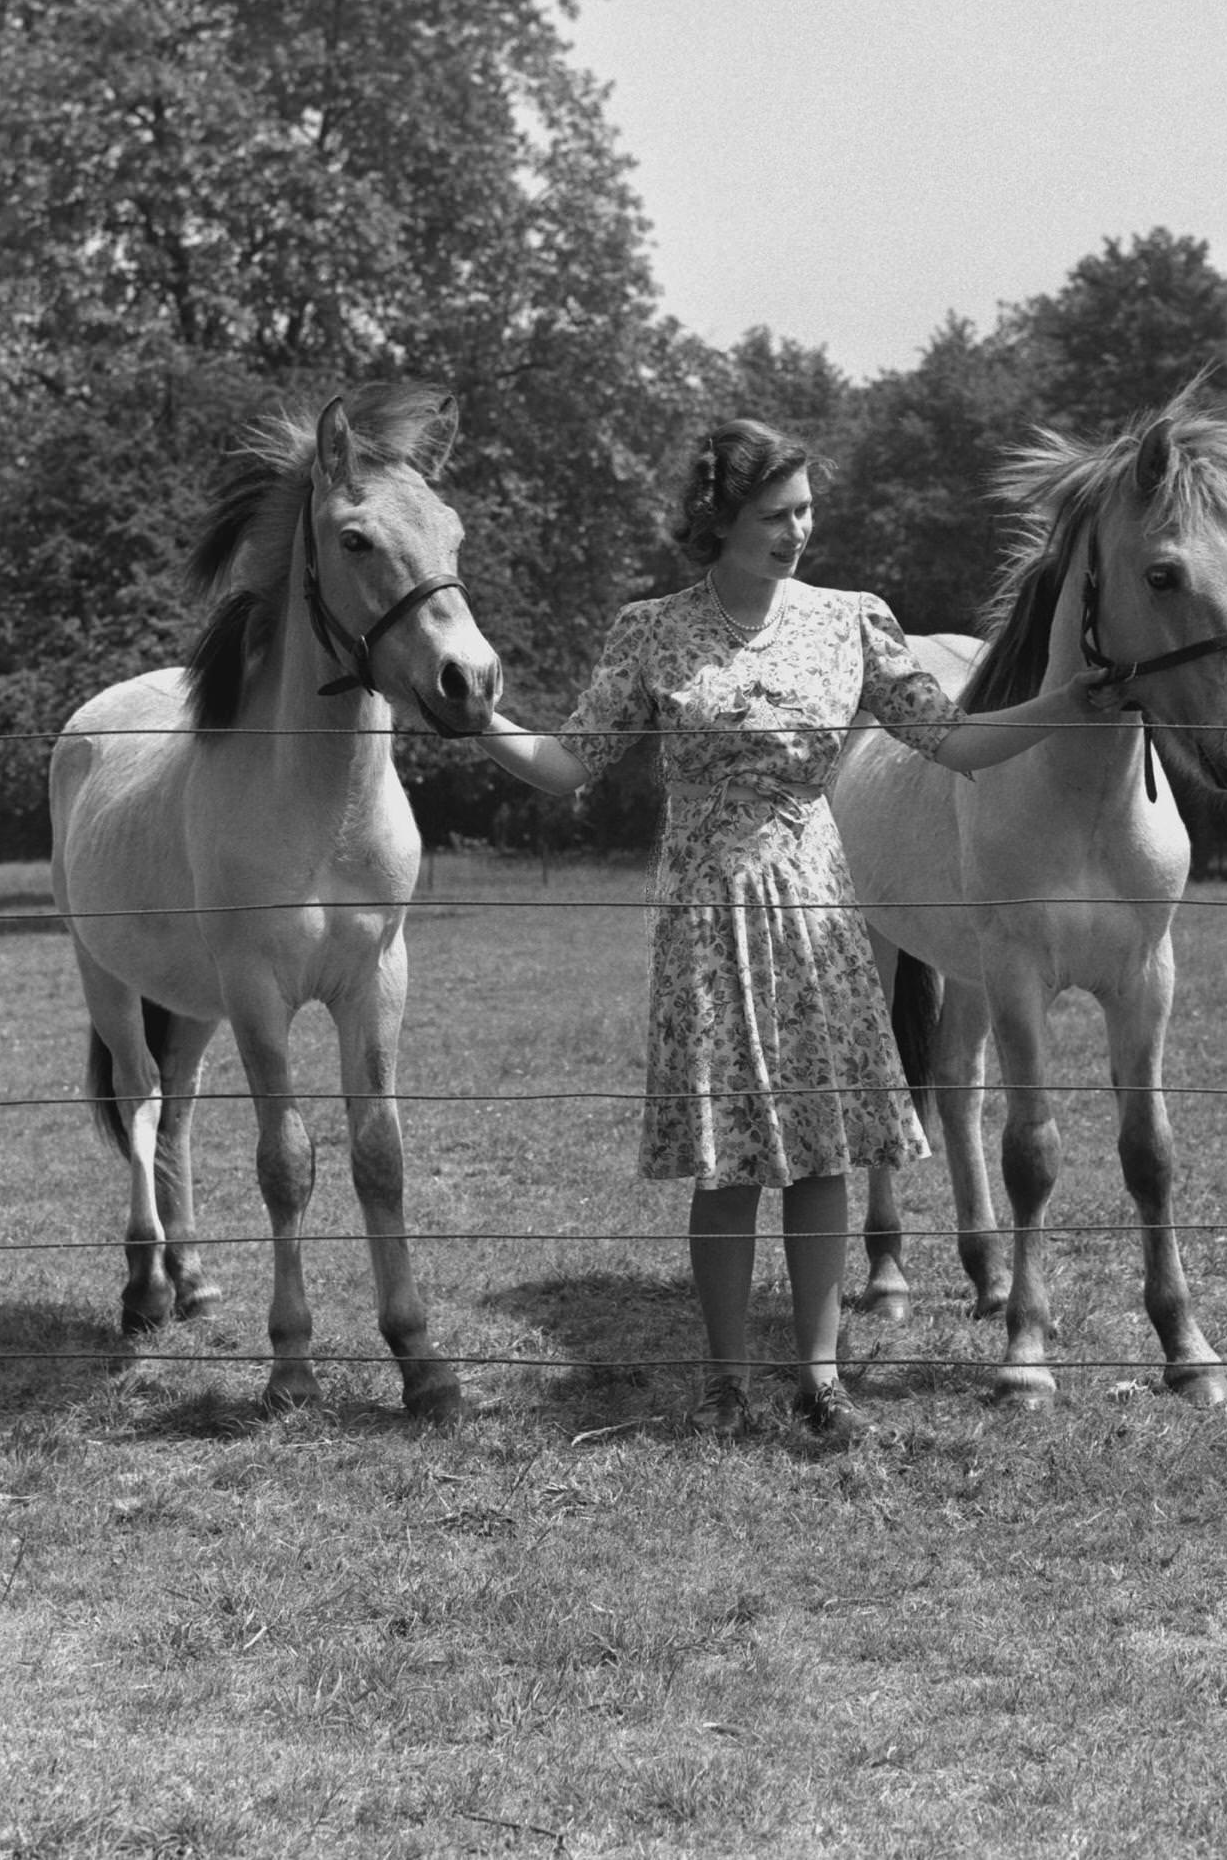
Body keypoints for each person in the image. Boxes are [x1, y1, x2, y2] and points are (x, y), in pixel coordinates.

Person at [477, 419, 1119, 1444]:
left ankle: (819, 1377)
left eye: (805, 510)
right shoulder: (651, 631)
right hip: (706, 917)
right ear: (719, 520)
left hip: (821, 912)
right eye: (775, 515)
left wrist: (1063, 702)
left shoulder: (853, 620)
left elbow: (951, 741)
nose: (797, 531)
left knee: (823, 1151)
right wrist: (480, 721)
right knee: (726, 1160)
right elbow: (568, 764)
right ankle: (725, 1379)